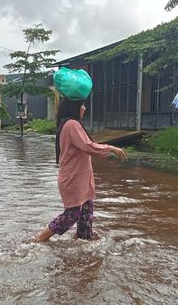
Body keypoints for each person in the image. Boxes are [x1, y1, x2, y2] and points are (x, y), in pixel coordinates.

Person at [34, 68, 127, 242]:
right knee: (72, 215)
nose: (84, 108)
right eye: (82, 105)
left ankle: (84, 251)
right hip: (73, 180)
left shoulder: (68, 123)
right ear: (75, 107)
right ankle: (39, 239)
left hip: (80, 180)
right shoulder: (71, 125)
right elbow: (89, 147)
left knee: (86, 220)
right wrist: (112, 148)